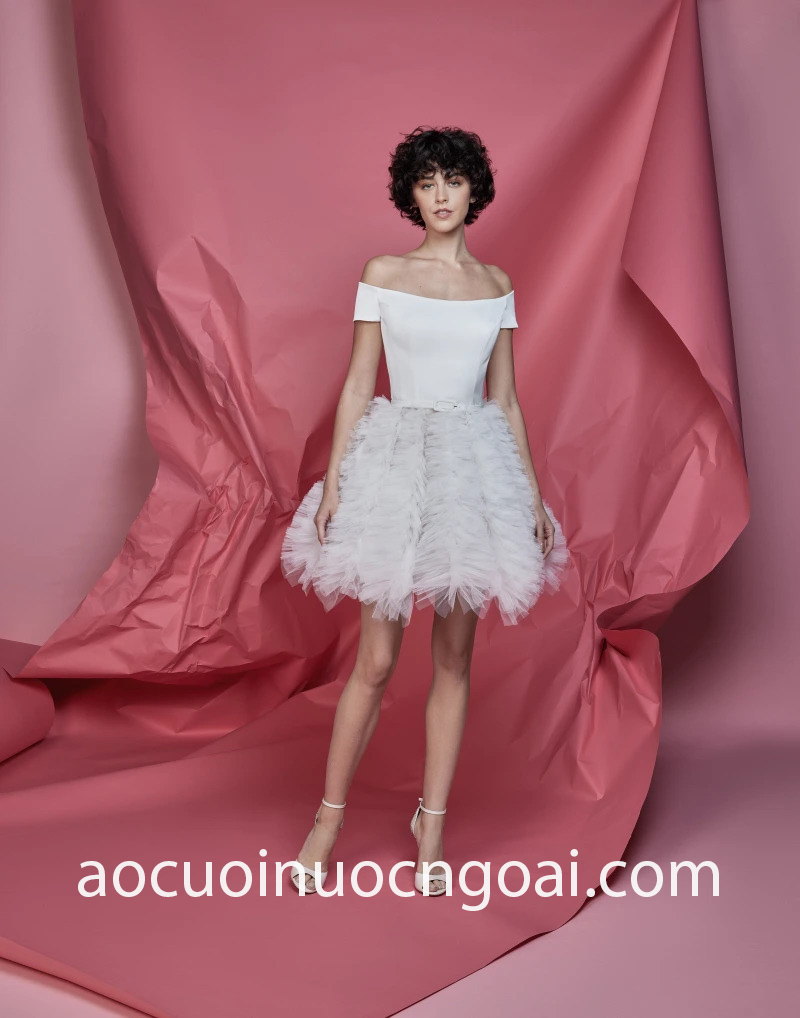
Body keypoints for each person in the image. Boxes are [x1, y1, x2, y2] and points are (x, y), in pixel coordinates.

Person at [280, 125, 569, 895]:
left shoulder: (496, 284)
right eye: (426, 182)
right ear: (411, 194)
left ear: (475, 190)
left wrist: (530, 494)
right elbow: (357, 383)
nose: (441, 195)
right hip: (396, 460)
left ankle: (430, 829)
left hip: (471, 471)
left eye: (453, 180)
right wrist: (335, 483)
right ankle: (327, 822)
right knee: (375, 661)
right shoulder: (383, 273)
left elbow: (506, 400)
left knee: (454, 659)